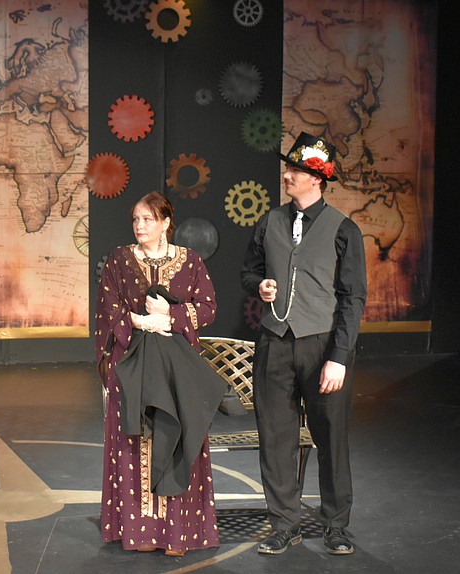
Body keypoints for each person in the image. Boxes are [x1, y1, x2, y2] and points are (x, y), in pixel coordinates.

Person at [240, 132, 367, 556]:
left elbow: (353, 298)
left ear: (316, 178)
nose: (287, 175)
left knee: (330, 437)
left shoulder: (343, 229)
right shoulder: (270, 221)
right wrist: (260, 285)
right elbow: (249, 271)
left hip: (321, 346)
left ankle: (335, 525)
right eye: (288, 168)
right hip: (275, 342)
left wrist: (339, 358)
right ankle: (284, 523)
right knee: (276, 437)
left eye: (295, 170)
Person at [95, 191, 220, 556]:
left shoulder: (190, 261)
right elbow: (107, 308)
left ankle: (177, 534)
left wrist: (171, 317)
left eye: (148, 219)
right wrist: (139, 321)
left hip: (176, 369)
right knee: (134, 440)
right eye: (136, 219)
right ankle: (141, 532)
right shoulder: (119, 260)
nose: (140, 226)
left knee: (176, 437)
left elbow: (208, 307)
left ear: (166, 223)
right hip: (133, 365)